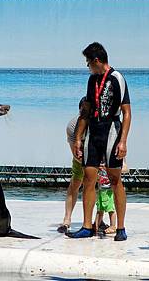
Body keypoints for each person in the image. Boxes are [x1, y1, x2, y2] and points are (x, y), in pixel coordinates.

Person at [68, 42, 131, 241]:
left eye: (88, 63)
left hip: (111, 130)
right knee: (88, 178)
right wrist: (78, 138)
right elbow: (85, 111)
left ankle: (120, 227)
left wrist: (123, 142)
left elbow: (127, 113)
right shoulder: (91, 80)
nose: (87, 66)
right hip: (93, 132)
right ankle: (87, 226)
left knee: (114, 179)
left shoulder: (117, 78)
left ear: (96, 60)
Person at [57, 97, 89, 234]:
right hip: (80, 154)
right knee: (75, 184)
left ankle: (99, 220)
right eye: (83, 110)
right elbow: (75, 152)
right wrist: (83, 165)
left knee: (102, 187)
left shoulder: (99, 121)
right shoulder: (72, 125)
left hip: (98, 155)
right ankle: (67, 219)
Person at [95, 167, 117, 235]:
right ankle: (96, 226)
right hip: (100, 190)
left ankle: (112, 226)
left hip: (109, 191)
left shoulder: (110, 164)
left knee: (111, 209)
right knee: (99, 209)